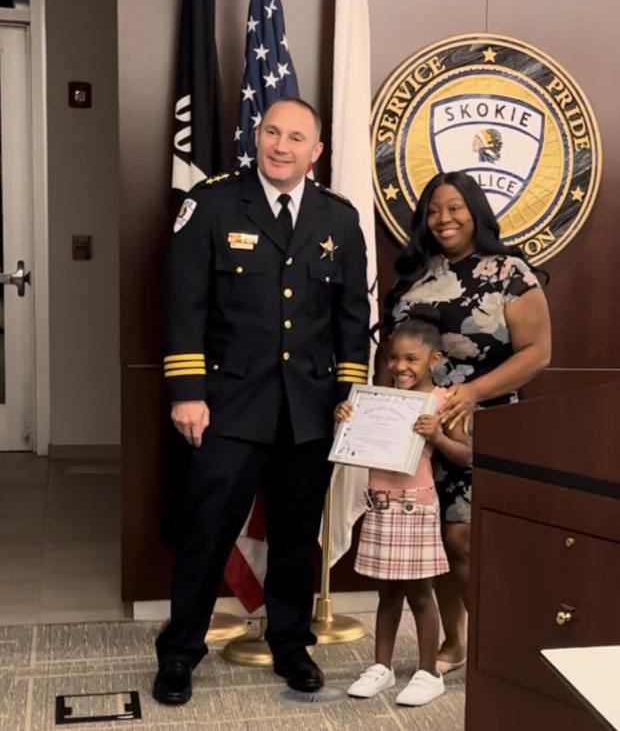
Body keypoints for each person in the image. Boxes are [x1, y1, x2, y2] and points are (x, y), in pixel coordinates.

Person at [153, 97, 370, 705]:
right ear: (257, 134)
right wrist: (187, 394)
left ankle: (291, 643)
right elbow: (183, 303)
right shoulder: (214, 203)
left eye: (296, 137)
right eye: (272, 131)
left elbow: (353, 316)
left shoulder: (339, 217)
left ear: (316, 151)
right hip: (227, 405)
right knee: (208, 531)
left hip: (310, 408)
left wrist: (349, 398)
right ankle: (179, 653)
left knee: (298, 536)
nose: (282, 145)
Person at [379, 170, 551, 674]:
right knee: (433, 540)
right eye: (433, 211)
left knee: (463, 539)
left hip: (485, 424)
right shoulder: (415, 275)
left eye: (454, 208)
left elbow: (539, 352)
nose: (443, 219)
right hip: (416, 430)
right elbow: (394, 353)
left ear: (475, 210)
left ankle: (503, 645)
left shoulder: (510, 272)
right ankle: (455, 644)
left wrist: (471, 392)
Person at [337, 315, 472, 706]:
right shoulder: (375, 398)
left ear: (434, 360)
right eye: (394, 358)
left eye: (412, 359)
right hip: (379, 505)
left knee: (420, 594)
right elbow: (349, 444)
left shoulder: (445, 401)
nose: (400, 367)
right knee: (387, 593)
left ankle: (428, 673)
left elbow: (466, 455)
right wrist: (342, 419)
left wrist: (439, 436)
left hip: (417, 507)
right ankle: (382, 667)